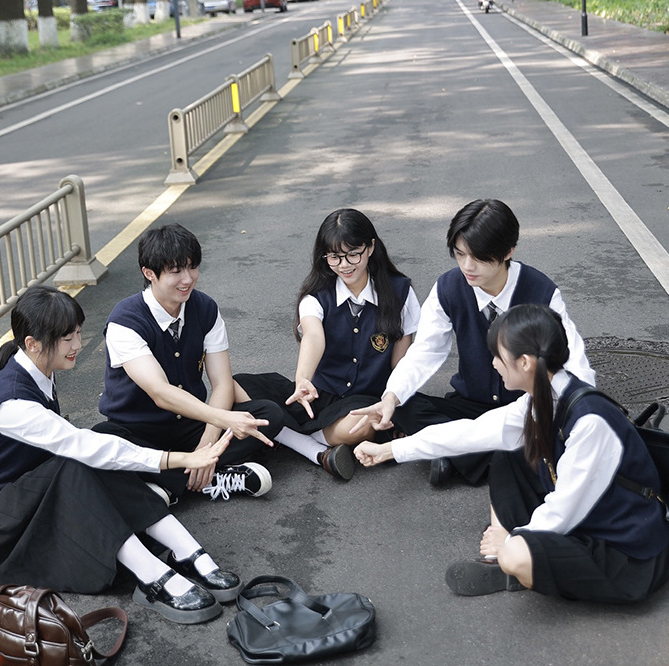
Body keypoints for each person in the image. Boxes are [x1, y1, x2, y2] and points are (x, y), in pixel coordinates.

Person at [0, 285, 243, 625]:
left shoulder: (34, 369)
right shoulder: (12, 402)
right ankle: (153, 577)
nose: (78, 345)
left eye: (78, 333)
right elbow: (83, 449)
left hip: (19, 498)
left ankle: (189, 552)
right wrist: (180, 458)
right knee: (81, 460)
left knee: (103, 440)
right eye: (67, 338)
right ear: (33, 344)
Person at [354, 304, 669, 604]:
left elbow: (563, 511)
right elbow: (470, 432)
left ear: (525, 363)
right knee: (507, 455)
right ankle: (506, 546)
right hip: (593, 516)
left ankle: (511, 561)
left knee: (516, 556)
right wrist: (391, 450)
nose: (493, 362)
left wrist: (513, 541)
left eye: (498, 355)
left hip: (630, 552)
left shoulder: (590, 421)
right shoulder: (544, 395)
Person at [351, 199, 595, 486]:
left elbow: (578, 372)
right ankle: (490, 458)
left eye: (479, 258)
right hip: (469, 404)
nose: (468, 266)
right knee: (402, 403)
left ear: (508, 251)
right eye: (459, 254)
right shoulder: (448, 287)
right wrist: (391, 397)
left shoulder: (541, 292)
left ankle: (456, 456)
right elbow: (426, 350)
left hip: (523, 407)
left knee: (539, 426)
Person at [96, 224, 286, 501]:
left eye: (192, 267)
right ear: (149, 273)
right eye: (176, 271)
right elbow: (161, 393)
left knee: (268, 414)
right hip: (139, 431)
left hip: (191, 424)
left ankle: (166, 485)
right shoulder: (125, 321)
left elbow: (222, 383)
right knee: (103, 440)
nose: (188, 279)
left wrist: (206, 446)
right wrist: (223, 422)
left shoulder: (205, 308)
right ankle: (214, 479)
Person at [234, 208, 420, 480]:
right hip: (316, 397)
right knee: (234, 386)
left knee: (362, 425)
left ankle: (294, 437)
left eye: (353, 253)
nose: (344, 265)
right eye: (334, 256)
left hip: (365, 402)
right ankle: (312, 448)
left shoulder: (400, 293)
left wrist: (394, 404)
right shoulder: (317, 296)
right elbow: (313, 336)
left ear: (370, 247)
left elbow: (401, 365)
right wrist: (302, 380)